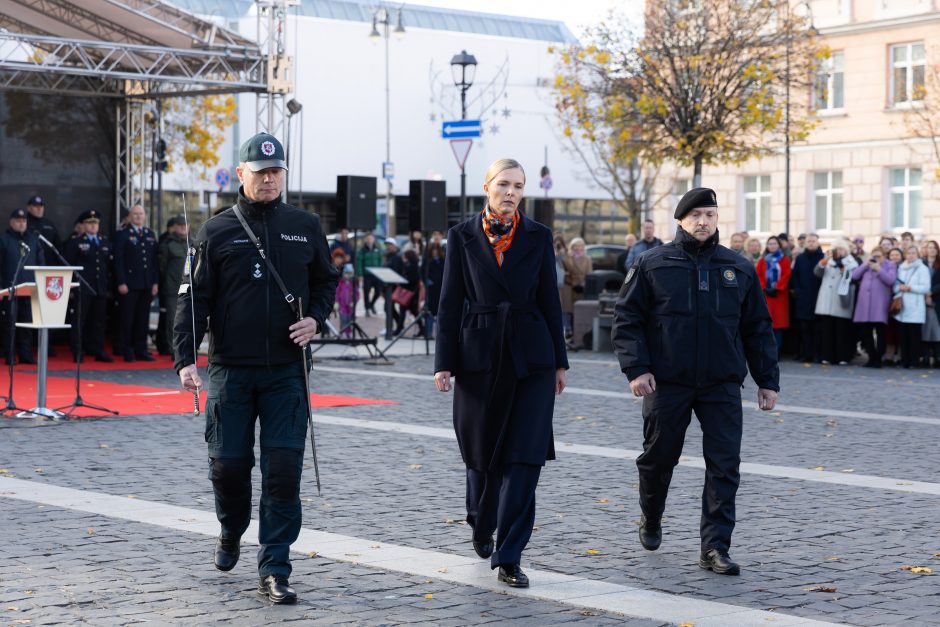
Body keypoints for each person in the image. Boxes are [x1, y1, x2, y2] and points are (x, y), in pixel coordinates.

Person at [174, 132, 337, 605]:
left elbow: (327, 281)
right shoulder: (215, 230)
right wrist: (186, 359)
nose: (269, 179)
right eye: (260, 172)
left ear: (283, 175)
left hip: (288, 372)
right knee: (228, 468)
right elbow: (192, 300)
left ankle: (274, 567)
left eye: (276, 172)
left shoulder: (305, 226)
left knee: (283, 470)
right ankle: (231, 529)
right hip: (230, 371)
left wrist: (316, 319)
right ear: (241, 174)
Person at [612, 187, 779, 576]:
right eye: (695, 215)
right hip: (667, 383)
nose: (703, 222)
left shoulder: (737, 267)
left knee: (725, 465)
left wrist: (766, 380)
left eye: (710, 214)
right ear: (681, 221)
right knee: (658, 459)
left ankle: (715, 547)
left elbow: (758, 328)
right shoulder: (653, 263)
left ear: (717, 218)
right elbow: (627, 318)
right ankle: (651, 516)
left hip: (721, 383)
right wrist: (637, 369)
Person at [433, 158, 568, 589]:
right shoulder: (461, 237)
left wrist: (560, 362)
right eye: (504, 184)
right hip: (478, 355)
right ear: (487, 187)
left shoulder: (539, 237)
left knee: (524, 457)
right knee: (481, 453)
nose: (511, 193)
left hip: (533, 358)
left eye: (519, 186)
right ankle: (480, 519)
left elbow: (550, 299)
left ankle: (510, 555)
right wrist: (444, 361)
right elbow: (450, 302)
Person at [64, 210, 113, 363]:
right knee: (80, 320)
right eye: (90, 223)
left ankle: (98, 350)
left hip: (100, 287)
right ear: (84, 225)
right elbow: (68, 265)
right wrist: (70, 287)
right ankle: (78, 351)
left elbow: (108, 265)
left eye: (95, 223)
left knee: (99, 321)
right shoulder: (76, 242)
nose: (93, 226)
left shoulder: (104, 241)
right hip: (82, 287)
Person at [112, 203, 158, 362]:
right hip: (129, 284)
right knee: (128, 319)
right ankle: (127, 350)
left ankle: (141, 349)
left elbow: (153, 261)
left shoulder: (149, 234)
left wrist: (154, 282)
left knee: (143, 319)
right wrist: (121, 282)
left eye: (141, 213)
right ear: (130, 216)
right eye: (136, 214)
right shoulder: (123, 234)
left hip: (146, 283)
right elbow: (118, 261)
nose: (139, 216)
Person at [0, 208, 44, 364]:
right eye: (18, 221)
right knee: (9, 324)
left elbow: (40, 262)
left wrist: (40, 283)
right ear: (11, 222)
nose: (21, 223)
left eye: (24, 221)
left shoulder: (33, 239)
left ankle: (26, 355)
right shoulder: (4, 240)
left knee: (27, 323)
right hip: (10, 289)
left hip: (29, 289)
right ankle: (10, 355)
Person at [813, 239, 858, 365]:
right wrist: (823, 262)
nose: (839, 252)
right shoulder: (828, 261)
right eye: (836, 249)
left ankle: (842, 356)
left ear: (846, 251)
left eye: (841, 249)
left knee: (842, 331)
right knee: (827, 330)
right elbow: (817, 273)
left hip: (841, 299)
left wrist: (843, 269)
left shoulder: (851, 262)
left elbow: (853, 277)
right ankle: (827, 356)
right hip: (826, 300)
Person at [851, 248, 896, 368]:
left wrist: (879, 269)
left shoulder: (890, 265)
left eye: (879, 256)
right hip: (865, 305)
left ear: (884, 256)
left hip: (880, 304)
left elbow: (891, 280)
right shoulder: (867, 265)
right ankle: (871, 358)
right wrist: (865, 264)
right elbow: (854, 276)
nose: (876, 258)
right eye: (874, 256)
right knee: (867, 333)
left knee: (881, 333)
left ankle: (878, 359)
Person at [893, 245, 930, 369]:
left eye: (913, 253)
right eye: (908, 253)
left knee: (914, 335)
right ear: (905, 255)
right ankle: (905, 361)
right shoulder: (901, 268)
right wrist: (900, 288)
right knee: (903, 336)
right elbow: (895, 285)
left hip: (916, 306)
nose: (911, 255)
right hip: (902, 305)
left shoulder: (922, 268)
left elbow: (925, 287)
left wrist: (911, 288)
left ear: (917, 254)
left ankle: (914, 361)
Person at [790, 233, 824, 363]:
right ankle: (806, 353)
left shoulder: (822, 258)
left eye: (813, 241)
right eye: (809, 241)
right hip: (803, 298)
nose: (811, 243)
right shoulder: (800, 258)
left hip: (818, 297)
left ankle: (816, 354)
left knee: (817, 329)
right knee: (804, 328)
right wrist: (798, 291)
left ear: (818, 243)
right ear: (805, 243)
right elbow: (795, 276)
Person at [157, 216, 188, 357]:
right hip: (172, 288)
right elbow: (161, 267)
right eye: (180, 225)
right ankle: (173, 350)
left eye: (185, 225)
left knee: (187, 320)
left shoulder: (191, 242)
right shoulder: (168, 244)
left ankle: (186, 348)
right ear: (174, 227)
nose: (183, 227)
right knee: (173, 321)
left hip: (188, 288)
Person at [755, 236, 791, 352]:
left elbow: (786, 274)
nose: (772, 246)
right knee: (767, 323)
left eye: (774, 244)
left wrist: (777, 288)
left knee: (778, 325)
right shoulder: (762, 260)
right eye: (770, 244)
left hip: (779, 296)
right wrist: (765, 288)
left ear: (779, 245)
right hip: (766, 295)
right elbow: (758, 275)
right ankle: (766, 350)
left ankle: (777, 350)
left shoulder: (784, 259)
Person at [560, 237, 592, 337]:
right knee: (567, 309)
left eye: (581, 246)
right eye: (576, 246)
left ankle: (577, 331)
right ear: (572, 247)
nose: (578, 248)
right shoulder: (568, 258)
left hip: (581, 286)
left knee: (579, 310)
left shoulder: (587, 259)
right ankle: (568, 330)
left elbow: (589, 274)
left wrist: (583, 285)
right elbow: (567, 271)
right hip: (569, 286)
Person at [25, 195, 62, 266]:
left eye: (41, 206)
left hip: (49, 266)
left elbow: (58, 246)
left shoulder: (49, 224)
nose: (39, 209)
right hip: (30, 266)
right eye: (36, 206)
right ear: (29, 208)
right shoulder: (24, 223)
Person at [355, 233, 384, 316]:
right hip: (367, 274)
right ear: (366, 240)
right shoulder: (362, 250)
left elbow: (380, 260)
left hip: (376, 274)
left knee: (378, 291)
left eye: (371, 238)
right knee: (366, 292)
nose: (369, 240)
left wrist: (381, 272)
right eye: (368, 239)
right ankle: (367, 308)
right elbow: (359, 262)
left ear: (374, 239)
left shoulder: (377, 249)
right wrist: (360, 274)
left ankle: (371, 305)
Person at [921, 241, 940, 367]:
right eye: (929, 248)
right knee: (925, 330)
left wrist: (930, 293)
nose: (932, 250)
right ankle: (926, 357)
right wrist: (924, 294)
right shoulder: (921, 264)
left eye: (934, 248)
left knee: (937, 330)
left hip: (937, 300)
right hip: (921, 301)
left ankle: (937, 357)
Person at [421, 240, 445, 339]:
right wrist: (427, 281)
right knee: (429, 312)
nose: (435, 251)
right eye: (433, 250)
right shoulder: (427, 260)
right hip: (431, 290)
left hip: (440, 289)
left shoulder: (443, 260)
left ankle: (440, 334)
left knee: (441, 311)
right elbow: (422, 272)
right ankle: (428, 333)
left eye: (436, 249)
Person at [335, 263, 358, 337]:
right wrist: (336, 302)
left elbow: (357, 294)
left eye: (350, 273)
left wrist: (354, 301)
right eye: (346, 273)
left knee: (349, 319)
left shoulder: (353, 284)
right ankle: (342, 332)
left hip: (350, 306)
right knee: (343, 318)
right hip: (342, 305)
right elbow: (337, 293)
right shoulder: (341, 283)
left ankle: (348, 333)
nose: (348, 275)